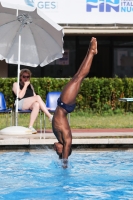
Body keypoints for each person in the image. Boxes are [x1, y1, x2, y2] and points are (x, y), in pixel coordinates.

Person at [52, 37, 97, 168]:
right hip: (64, 105)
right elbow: (68, 146)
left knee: (78, 77)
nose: (55, 150)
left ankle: (91, 51)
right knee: (78, 77)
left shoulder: (60, 137)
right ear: (64, 150)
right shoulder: (67, 140)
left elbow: (59, 146)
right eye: (58, 152)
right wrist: (64, 164)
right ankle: (91, 52)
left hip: (64, 105)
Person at [12, 69, 53, 134]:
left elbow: (34, 97)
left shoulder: (30, 86)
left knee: (36, 104)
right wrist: (25, 86)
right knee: (38, 97)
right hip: (19, 103)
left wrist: (43, 107)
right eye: (24, 76)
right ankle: (50, 116)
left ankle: (30, 127)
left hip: (29, 104)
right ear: (20, 77)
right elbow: (20, 96)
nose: (26, 78)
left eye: (27, 77)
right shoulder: (16, 84)